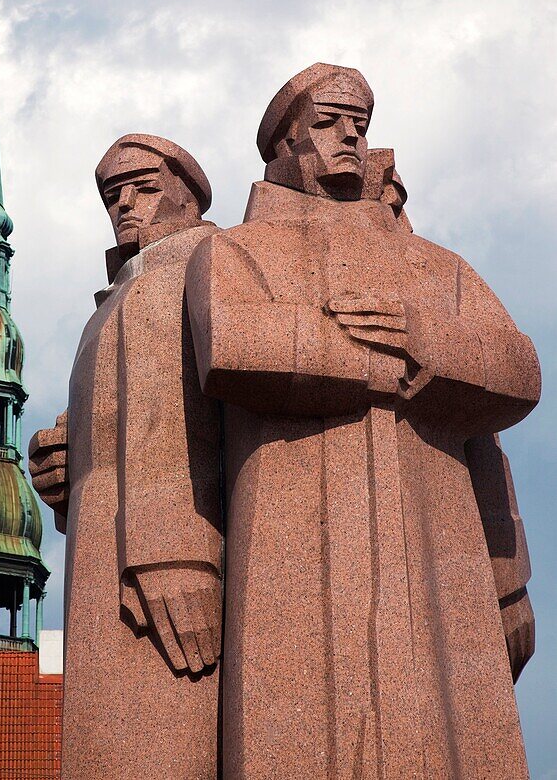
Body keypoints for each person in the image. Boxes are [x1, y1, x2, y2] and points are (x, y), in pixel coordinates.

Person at [185, 63, 540, 780]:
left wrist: (420, 336)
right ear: (284, 144)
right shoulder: (233, 251)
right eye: (327, 120)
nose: (349, 133)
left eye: (359, 122)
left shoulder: (436, 266)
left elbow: (517, 370)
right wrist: (387, 369)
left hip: (431, 523)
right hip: (292, 519)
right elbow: (232, 345)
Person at [30, 134, 222, 780]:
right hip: (99, 552)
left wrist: (175, 546)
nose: (123, 204)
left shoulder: (208, 266)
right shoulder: (113, 302)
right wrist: (64, 459)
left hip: (168, 556)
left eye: (141, 186)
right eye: (112, 195)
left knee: (165, 741)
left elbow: (209, 415)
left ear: (188, 195)